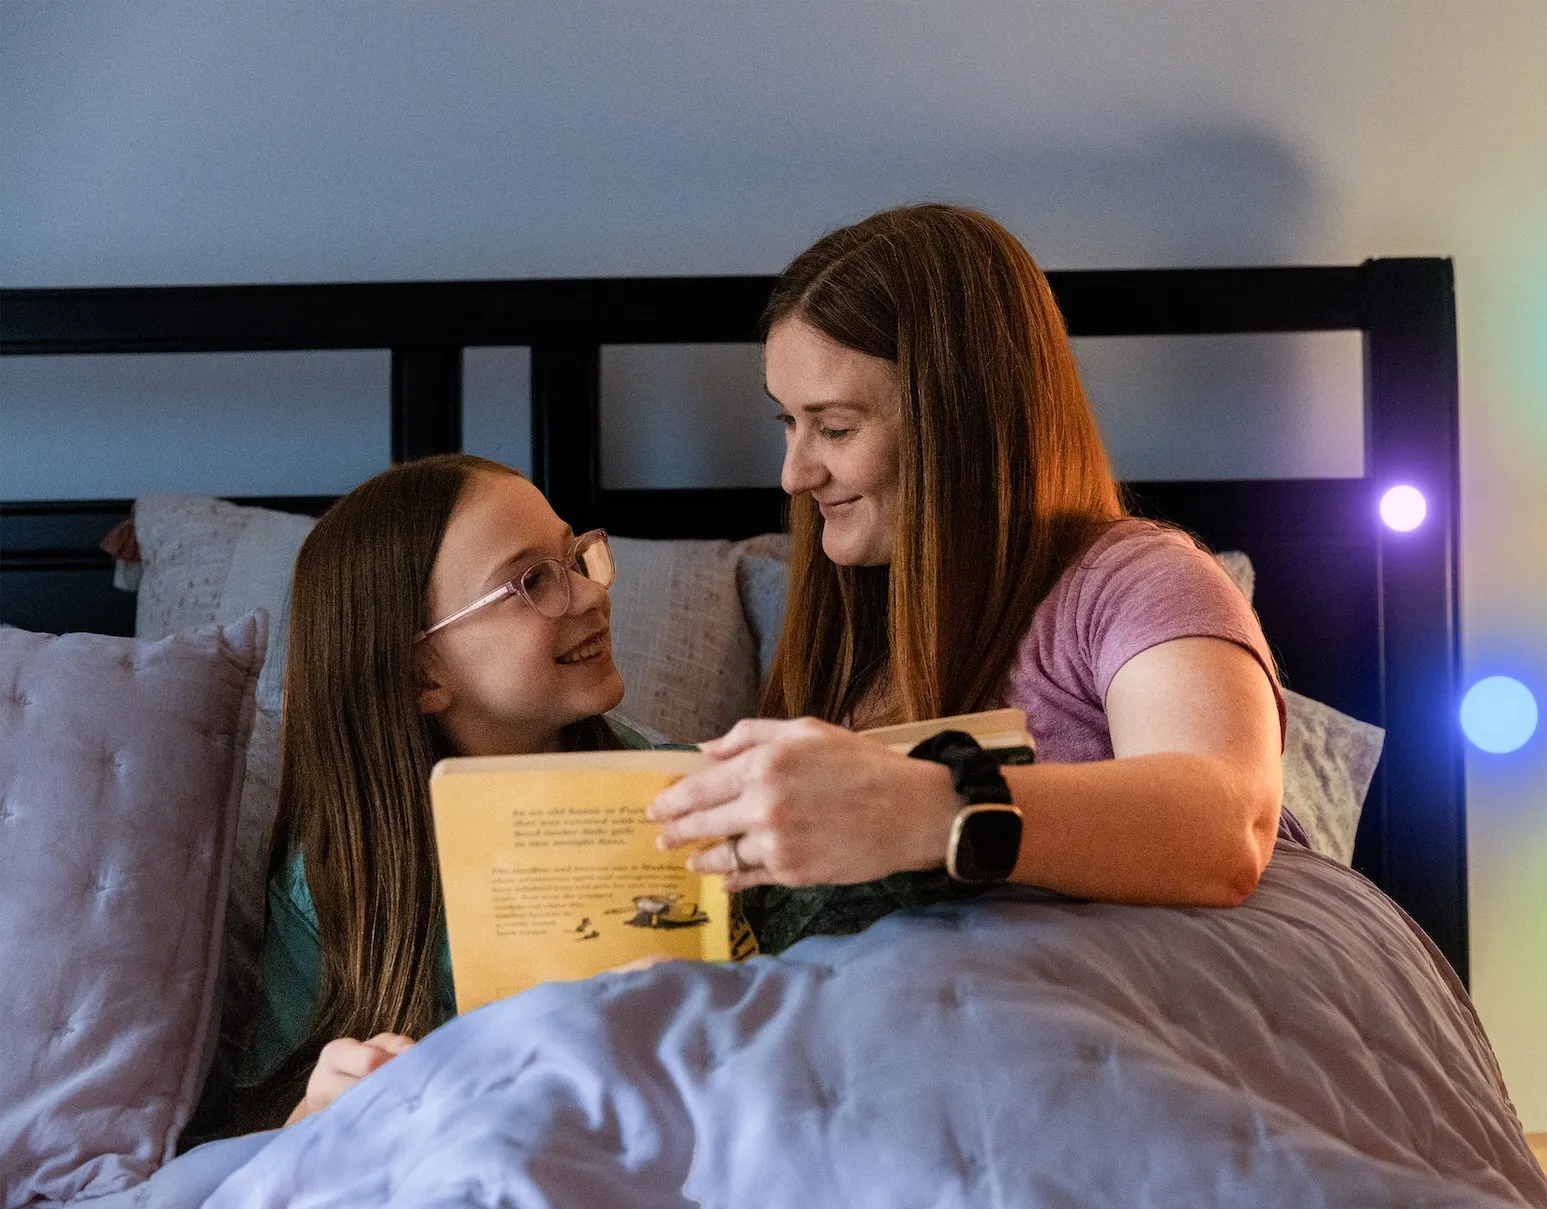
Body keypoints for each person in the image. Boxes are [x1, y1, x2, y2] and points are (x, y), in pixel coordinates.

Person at [648, 204, 1294, 954]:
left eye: (834, 428)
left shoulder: (1136, 581)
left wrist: (926, 807)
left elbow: (1227, 825)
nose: (795, 473)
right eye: (787, 424)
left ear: (957, 423)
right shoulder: (855, 628)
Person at [238, 454, 645, 1127]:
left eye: (576, 558)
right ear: (423, 674)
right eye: (532, 580)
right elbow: (271, 1126)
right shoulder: (335, 878)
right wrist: (319, 1108)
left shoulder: (691, 786)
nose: (590, 594)